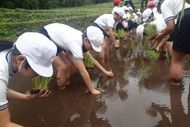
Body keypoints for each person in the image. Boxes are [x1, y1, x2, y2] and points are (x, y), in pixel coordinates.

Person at [0, 32, 57, 126]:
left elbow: (2, 91)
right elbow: (4, 124)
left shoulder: (9, 53)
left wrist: (26, 97)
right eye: (36, 70)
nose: (38, 75)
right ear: (20, 59)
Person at [40, 23, 113, 95]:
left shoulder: (82, 39)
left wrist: (105, 72)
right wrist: (92, 90)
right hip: (47, 36)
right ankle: (61, 91)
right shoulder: (76, 45)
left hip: (55, 36)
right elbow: (83, 71)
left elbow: (91, 59)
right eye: (92, 47)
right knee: (63, 67)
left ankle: (65, 83)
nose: (92, 49)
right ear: (86, 40)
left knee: (68, 64)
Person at [154, 0, 190, 82]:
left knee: (176, 60)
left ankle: (176, 88)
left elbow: (170, 27)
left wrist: (161, 35)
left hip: (187, 17)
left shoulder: (165, 3)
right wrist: (162, 32)